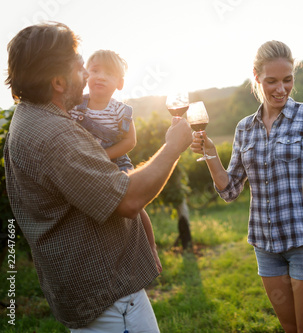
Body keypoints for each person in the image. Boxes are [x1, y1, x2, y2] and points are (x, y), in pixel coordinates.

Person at [4, 22, 192, 332]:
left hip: (110, 289)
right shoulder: (55, 135)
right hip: (105, 296)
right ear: (59, 82)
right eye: (80, 67)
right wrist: (172, 148)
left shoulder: (32, 117)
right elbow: (129, 199)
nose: (87, 75)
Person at [191, 40, 303, 332]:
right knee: (290, 328)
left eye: (287, 80)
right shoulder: (245, 128)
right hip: (266, 248)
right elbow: (230, 190)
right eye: (271, 81)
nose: (281, 89)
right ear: (256, 77)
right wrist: (209, 153)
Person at [69, 49, 161, 273]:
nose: (100, 76)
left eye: (108, 73)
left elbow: (130, 141)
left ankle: (151, 246)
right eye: (95, 70)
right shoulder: (74, 105)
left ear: (119, 83)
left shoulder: (121, 111)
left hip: (115, 164)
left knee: (134, 203)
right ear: (84, 75)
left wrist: (101, 157)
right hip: (84, 165)